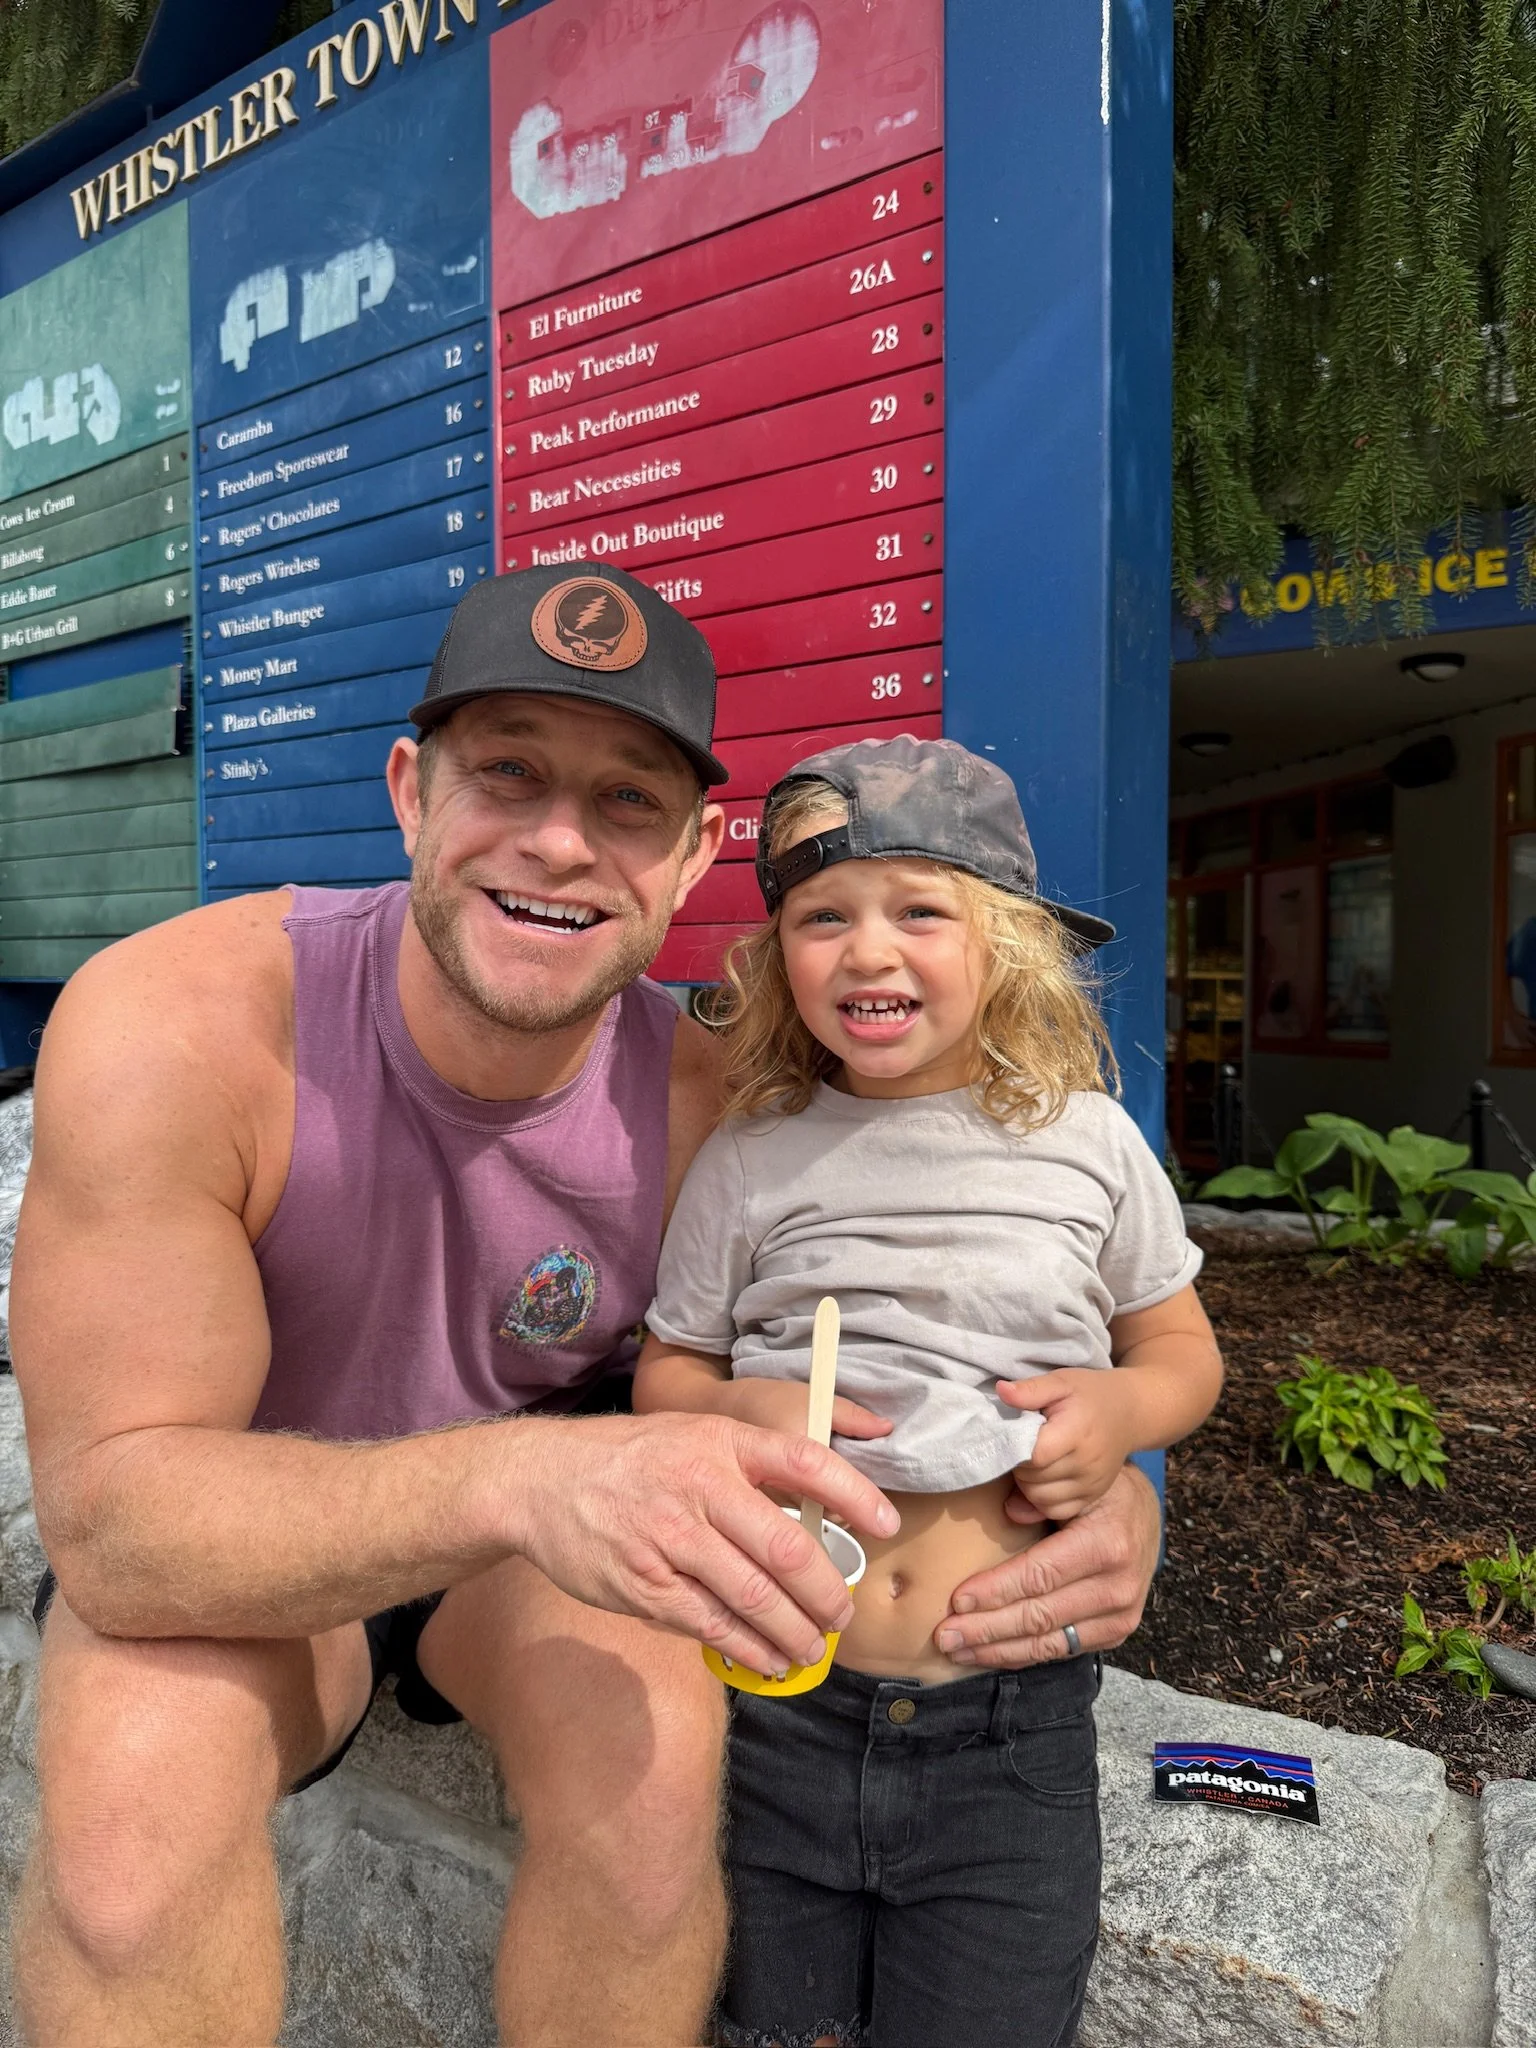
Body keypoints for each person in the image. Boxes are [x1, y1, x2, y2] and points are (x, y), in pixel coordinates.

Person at [9, 565, 1163, 2048]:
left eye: (628, 802)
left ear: (690, 863)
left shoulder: (718, 1095)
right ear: (412, 793)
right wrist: (524, 1473)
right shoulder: (182, 1022)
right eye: (508, 772)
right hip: (251, 1518)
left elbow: (969, 1294)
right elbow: (114, 1525)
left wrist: (1105, 1486)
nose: (560, 839)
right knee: (127, 1844)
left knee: (653, 1792)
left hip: (534, 1557)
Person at [635, 736, 1223, 2048]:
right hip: (777, 1704)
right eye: (821, 918)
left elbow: (1182, 1353)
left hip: (1004, 1733)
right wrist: (736, 1412)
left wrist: (1121, 1417)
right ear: (778, 954)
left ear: (1005, 940)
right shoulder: (754, 1156)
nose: (867, 951)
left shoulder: (1085, 1139)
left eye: (921, 911)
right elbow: (667, 1368)